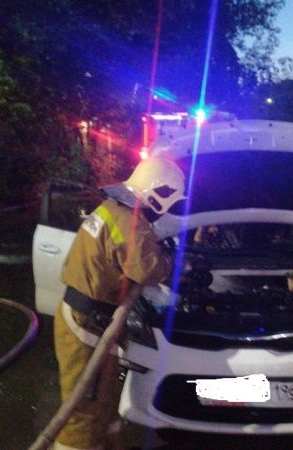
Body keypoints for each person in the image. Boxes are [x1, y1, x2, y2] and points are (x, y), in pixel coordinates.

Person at [53, 157, 185, 450]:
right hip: (87, 323)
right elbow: (147, 270)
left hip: (90, 318)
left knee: (105, 397)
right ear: (159, 193)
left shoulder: (113, 208)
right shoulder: (130, 221)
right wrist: (173, 264)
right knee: (83, 409)